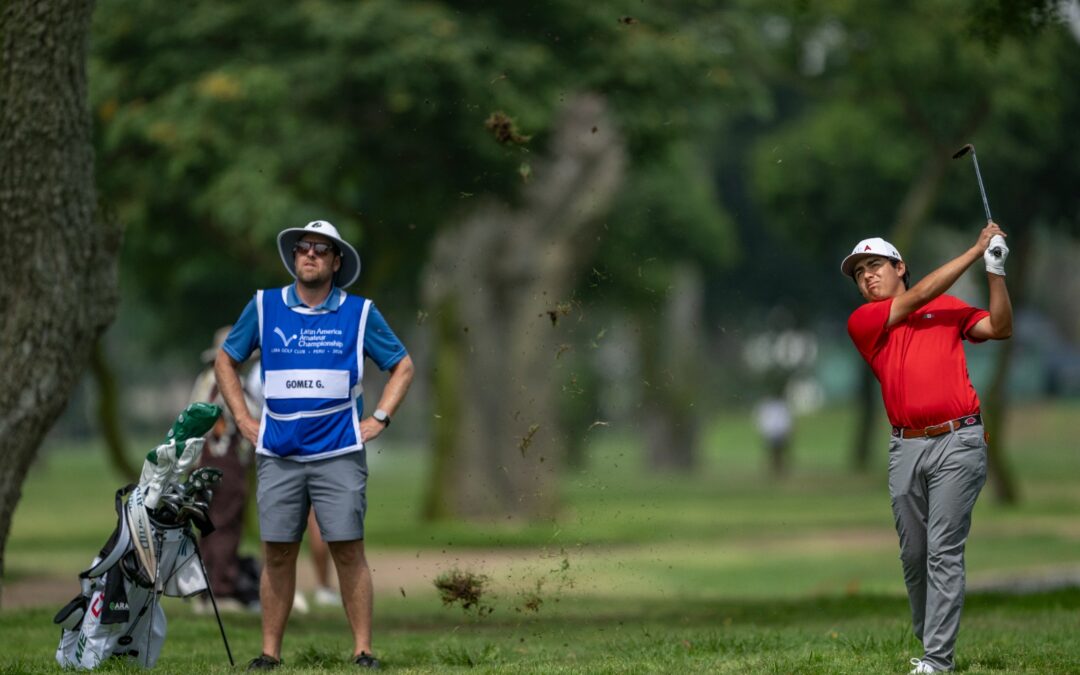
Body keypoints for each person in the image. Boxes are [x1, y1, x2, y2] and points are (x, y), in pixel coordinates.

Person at [215, 220, 415, 670]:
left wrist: (380, 417)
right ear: (294, 257)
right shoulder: (265, 306)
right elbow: (226, 360)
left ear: (336, 261)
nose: (310, 255)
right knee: (278, 551)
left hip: (339, 452)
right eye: (303, 248)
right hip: (278, 453)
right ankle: (269, 654)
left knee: (347, 548)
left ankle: (363, 651)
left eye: (321, 250)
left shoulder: (360, 312)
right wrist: (244, 419)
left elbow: (402, 366)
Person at [841, 222, 1012, 674]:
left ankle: (937, 659)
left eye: (874, 266)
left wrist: (995, 270)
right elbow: (915, 299)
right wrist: (974, 249)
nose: (867, 278)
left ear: (901, 267)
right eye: (859, 274)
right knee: (914, 555)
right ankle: (930, 636)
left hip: (960, 440)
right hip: (906, 449)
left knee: (943, 549)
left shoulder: (948, 307)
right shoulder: (865, 322)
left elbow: (999, 326)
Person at [188, 326, 260, 613]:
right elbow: (252, 417)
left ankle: (204, 591)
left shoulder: (204, 382)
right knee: (225, 525)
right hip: (224, 466)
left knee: (208, 526)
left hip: (203, 465)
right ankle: (222, 588)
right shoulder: (227, 386)